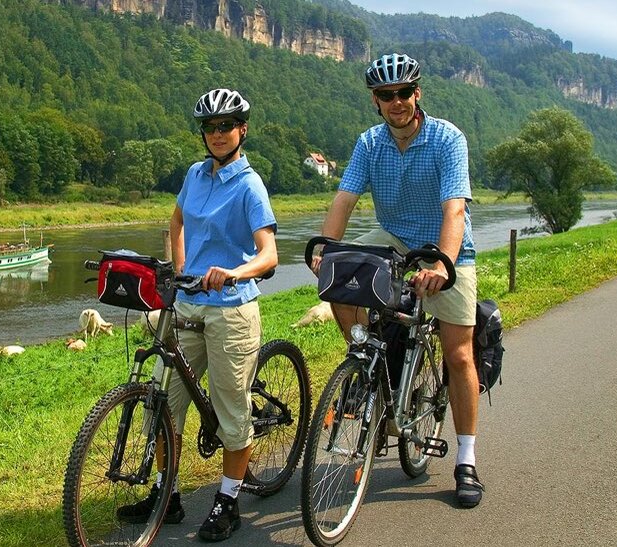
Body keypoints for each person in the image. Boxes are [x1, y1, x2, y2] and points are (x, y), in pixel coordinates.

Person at [314, 53, 485, 508]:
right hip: (393, 237)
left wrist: (445, 265)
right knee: (338, 274)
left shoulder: (447, 138)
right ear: (375, 100)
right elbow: (345, 198)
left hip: (446, 246)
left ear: (417, 93)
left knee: (459, 352)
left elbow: (455, 209)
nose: (396, 102)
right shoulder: (370, 143)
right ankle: (363, 356)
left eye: (403, 93)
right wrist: (326, 248)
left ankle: (466, 460)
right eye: (386, 95)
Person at [114, 88, 278, 542]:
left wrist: (234, 272)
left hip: (232, 311)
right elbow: (176, 220)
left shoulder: (250, 185)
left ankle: (227, 501)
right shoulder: (195, 174)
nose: (218, 134)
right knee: (165, 404)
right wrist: (179, 270)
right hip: (188, 305)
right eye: (210, 127)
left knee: (230, 409)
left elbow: (269, 256)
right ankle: (168, 495)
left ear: (242, 130)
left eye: (226, 126)